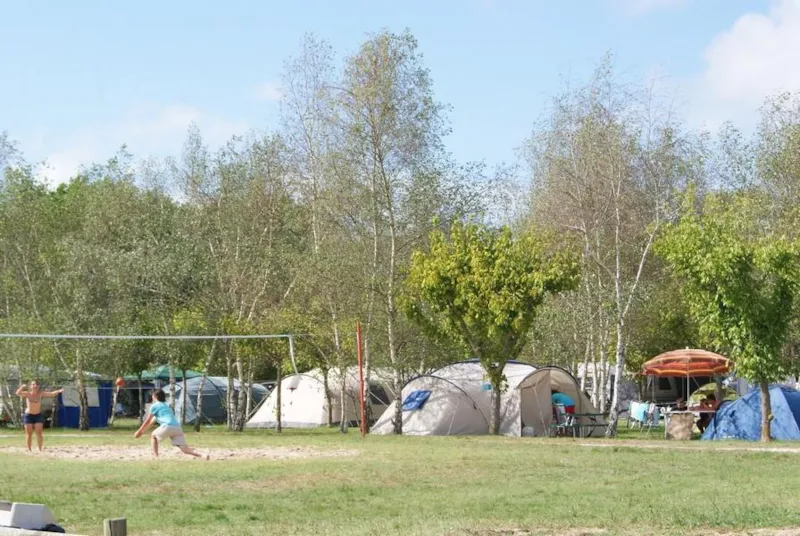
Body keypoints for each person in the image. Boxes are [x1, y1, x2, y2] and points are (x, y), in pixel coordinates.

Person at [134, 389, 207, 459]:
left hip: (167, 426)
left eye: (153, 395)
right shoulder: (167, 406)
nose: (152, 397)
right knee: (185, 449)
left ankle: (156, 457)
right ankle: (203, 455)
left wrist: (139, 431)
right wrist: (142, 432)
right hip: (177, 427)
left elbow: (147, 420)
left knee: (153, 436)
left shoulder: (154, 406)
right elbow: (151, 422)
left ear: (155, 396)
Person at [15, 380, 63, 452]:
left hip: (38, 415)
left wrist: (59, 391)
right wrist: (22, 387)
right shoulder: (27, 394)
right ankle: (29, 449)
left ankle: (40, 449)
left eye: (37, 385)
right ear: (30, 386)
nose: (35, 386)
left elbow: (51, 394)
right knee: (29, 433)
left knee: (39, 432)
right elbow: (17, 393)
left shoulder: (41, 393)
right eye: (33, 384)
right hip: (28, 415)